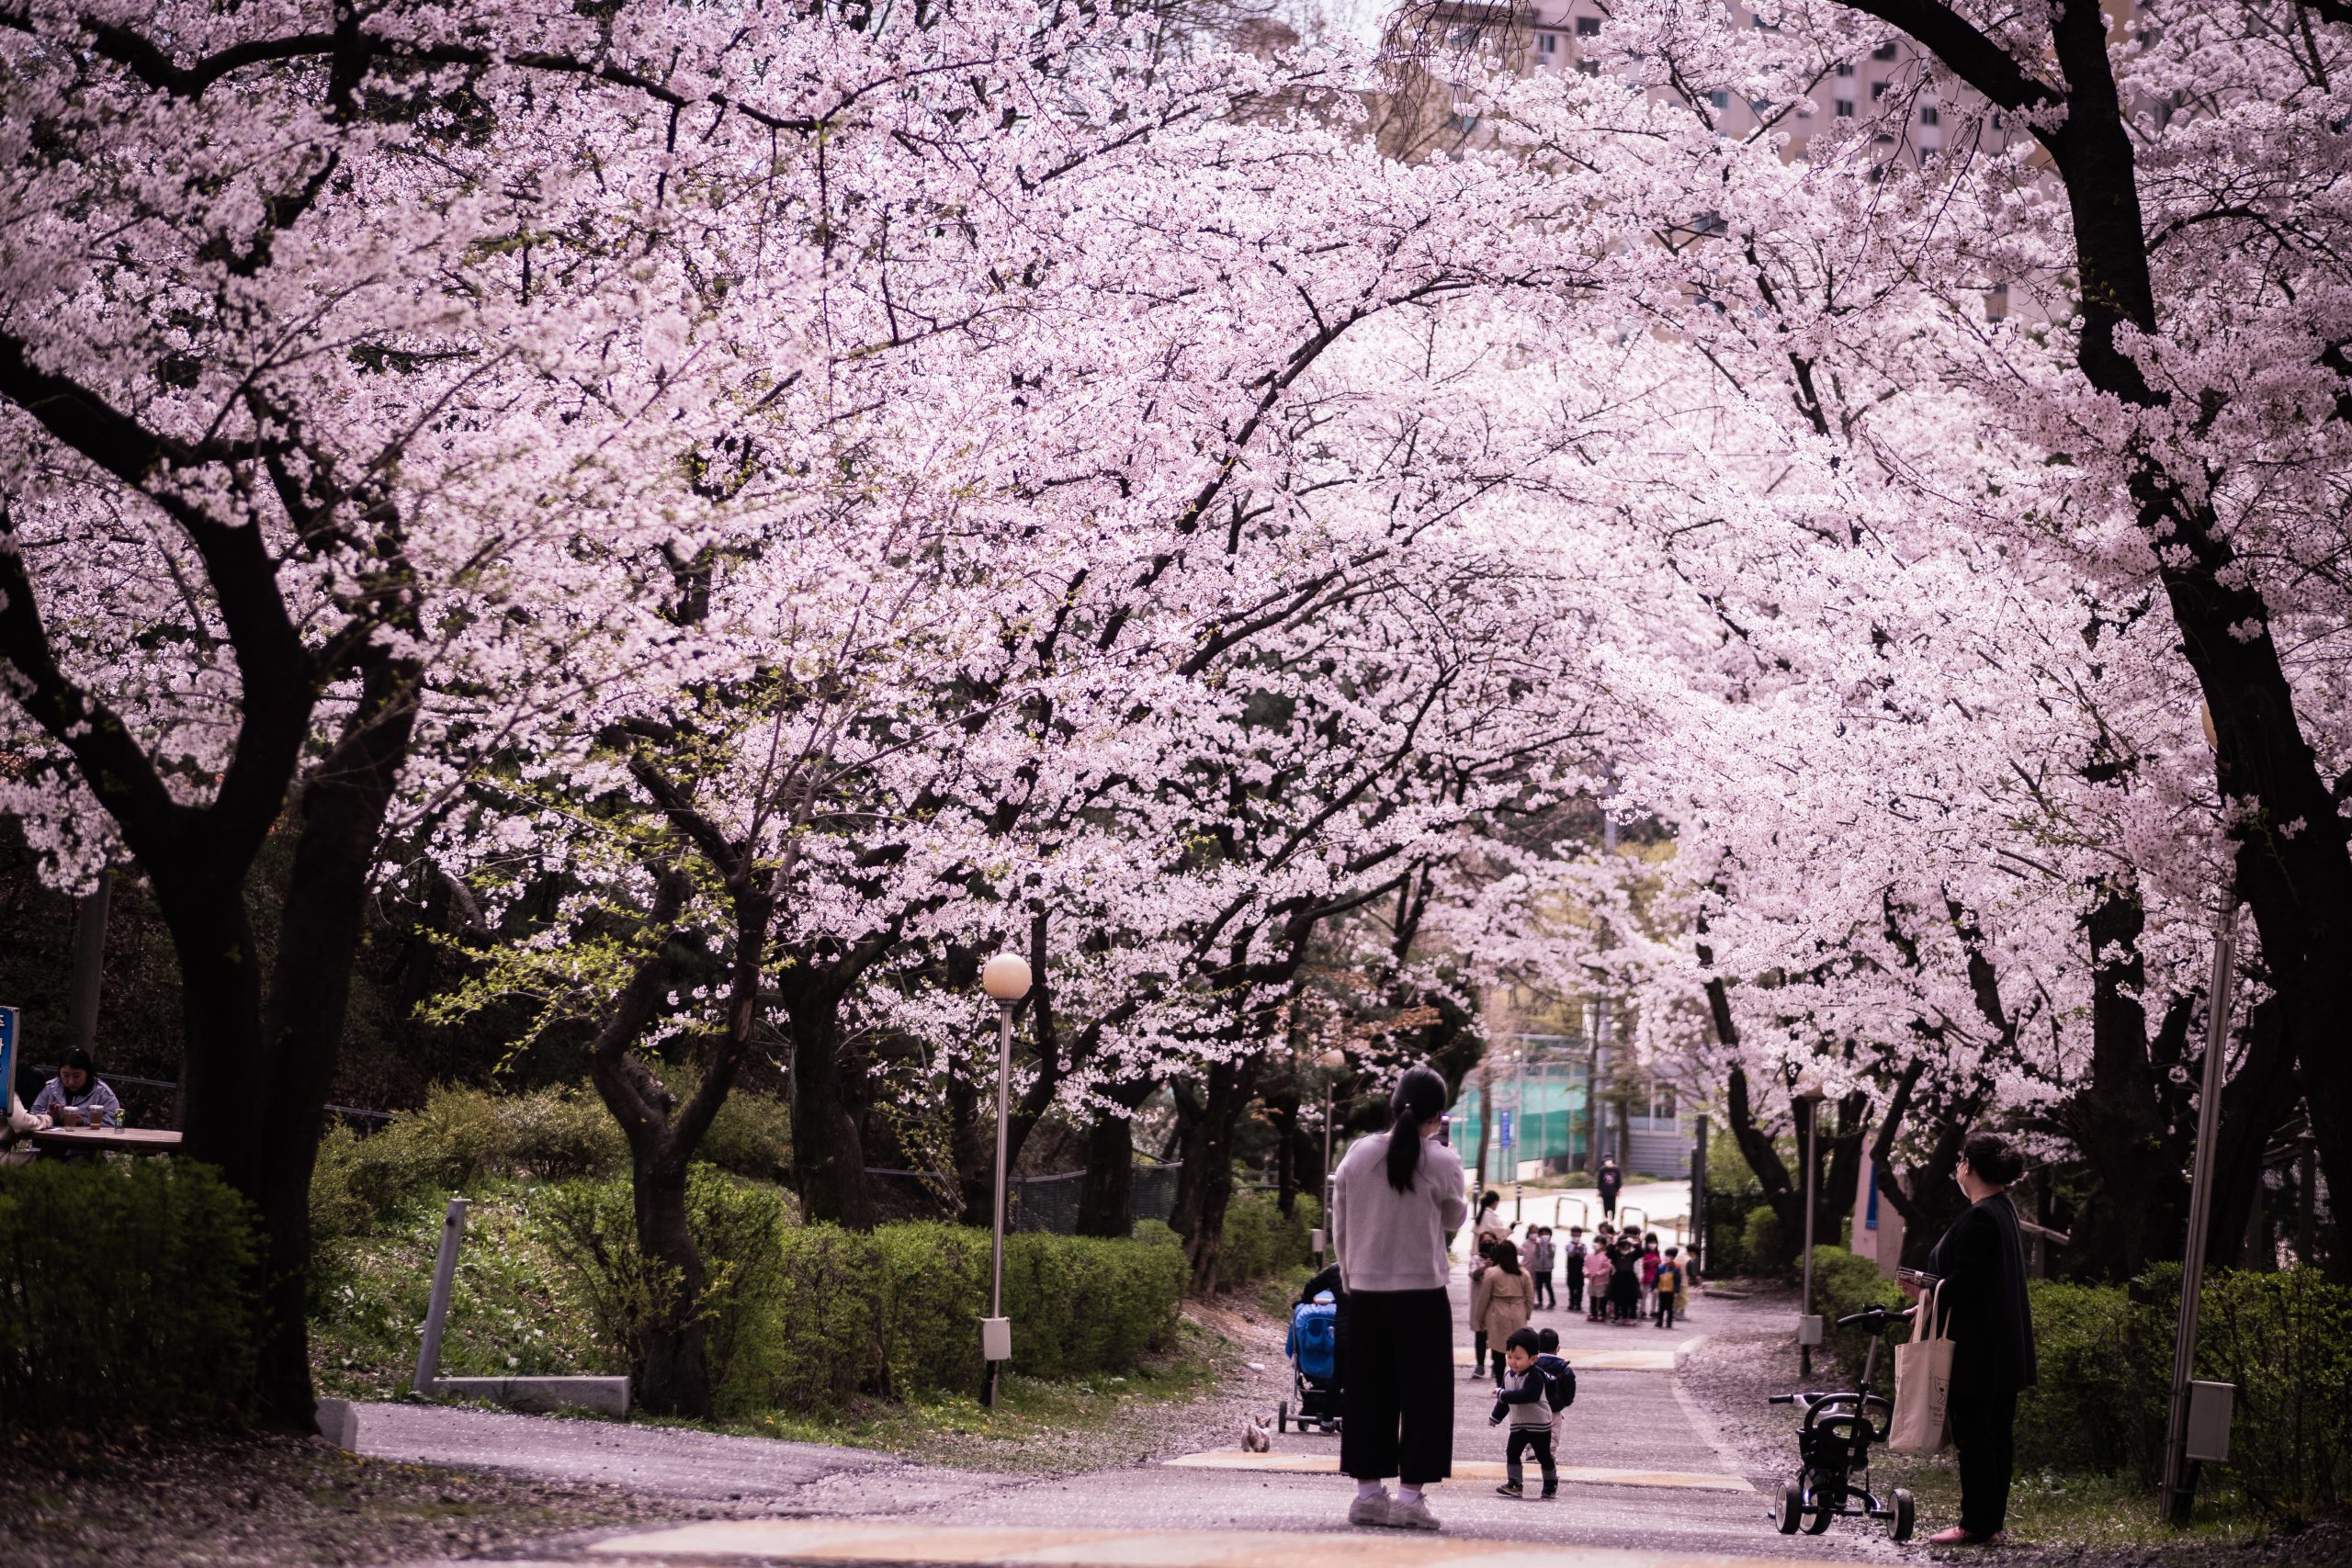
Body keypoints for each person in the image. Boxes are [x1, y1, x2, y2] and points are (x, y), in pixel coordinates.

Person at [1332, 1064, 1467, 1532]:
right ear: (1438, 1115)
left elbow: (1341, 1222)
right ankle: (1410, 1499)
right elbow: (1453, 1220)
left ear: (1393, 1106)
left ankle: (1368, 1496)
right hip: (1422, 1293)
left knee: (1368, 1392)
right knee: (1425, 1396)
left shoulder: (1357, 1154)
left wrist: (1350, 1276)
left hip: (1366, 1291)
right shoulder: (1443, 1161)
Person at [1906, 1131, 2037, 1546]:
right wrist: (1927, 1303)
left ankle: (1976, 1526)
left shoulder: (1982, 1215)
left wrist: (1926, 1290)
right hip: (2002, 1347)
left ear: (1968, 1166)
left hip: (1979, 1351)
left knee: (1977, 1438)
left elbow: (1966, 1285)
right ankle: (1989, 1524)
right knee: (1996, 1437)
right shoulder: (2002, 1210)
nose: (1957, 1167)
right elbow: (1982, 1282)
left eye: (1961, 1160)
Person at [1487, 1327, 1557, 1499]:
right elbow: (1505, 1401)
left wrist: (1503, 1394)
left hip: (1539, 1426)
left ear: (1533, 1359)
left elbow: (1526, 1396)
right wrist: (1495, 1417)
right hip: (1518, 1426)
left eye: (1518, 1358)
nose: (1513, 1362)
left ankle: (1550, 1483)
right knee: (1512, 1452)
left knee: (1543, 1455)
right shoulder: (1508, 1377)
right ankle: (1515, 1484)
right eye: (1509, 1357)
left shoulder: (1536, 1376)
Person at [1471, 1239, 1532, 1381]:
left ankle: (1500, 1385)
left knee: (1498, 1351)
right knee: (1517, 1350)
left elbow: (1484, 1298)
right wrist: (1526, 1315)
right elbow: (1530, 1298)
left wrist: (1479, 1318)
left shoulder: (1492, 1273)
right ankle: (1516, 1383)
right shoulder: (1523, 1273)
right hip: (1518, 1311)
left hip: (1497, 1313)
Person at [31, 1049, 120, 1130]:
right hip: (49, 1144)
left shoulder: (102, 1093)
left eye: (76, 1075)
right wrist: (49, 1116)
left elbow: (114, 1123)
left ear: (87, 1072)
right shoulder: (50, 1088)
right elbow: (33, 1116)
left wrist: (84, 1122)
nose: (71, 1082)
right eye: (66, 1075)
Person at [1533, 1325, 1576, 1457]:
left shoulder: (1531, 1365)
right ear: (1557, 1348)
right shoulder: (1564, 1369)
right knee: (1552, 1430)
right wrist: (1565, 1402)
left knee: (1531, 1427)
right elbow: (1569, 1389)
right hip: (1554, 1407)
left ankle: (1531, 1448)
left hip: (1532, 1405)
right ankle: (1549, 1453)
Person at [1609, 1236, 1641, 1325]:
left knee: (1632, 1299)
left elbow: (1641, 1252)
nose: (1625, 1247)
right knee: (1619, 1299)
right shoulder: (1616, 1255)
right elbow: (1608, 1253)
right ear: (1619, 1247)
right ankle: (1619, 1316)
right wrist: (1614, 1243)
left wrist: (1635, 1243)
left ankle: (1632, 1317)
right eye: (1623, 1246)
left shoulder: (1632, 1255)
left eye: (1627, 1246)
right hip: (1618, 1279)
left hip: (1630, 1279)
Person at [1583, 1235, 1613, 1321]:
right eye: (1595, 1242)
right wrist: (1587, 1272)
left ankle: (1602, 1314)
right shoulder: (1589, 1255)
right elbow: (1585, 1266)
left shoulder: (1605, 1256)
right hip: (1591, 1280)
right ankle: (1593, 1313)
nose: (1596, 1244)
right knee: (1592, 1297)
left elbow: (1607, 1267)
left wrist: (1598, 1273)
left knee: (1602, 1298)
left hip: (1602, 1281)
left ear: (1603, 1245)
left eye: (1599, 1243)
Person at [1655, 1247, 1684, 1330]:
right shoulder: (1660, 1267)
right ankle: (1659, 1321)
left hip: (1670, 1291)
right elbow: (1656, 1278)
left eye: (1669, 1256)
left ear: (1673, 1257)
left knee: (1669, 1307)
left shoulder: (1676, 1268)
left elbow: (1677, 1281)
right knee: (1660, 1306)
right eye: (1666, 1255)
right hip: (1662, 1290)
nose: (1666, 1257)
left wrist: (1676, 1291)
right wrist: (1653, 1286)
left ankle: (1669, 1322)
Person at [1529, 1226, 1556, 1311]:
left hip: (1548, 1269)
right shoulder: (1537, 1244)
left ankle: (1552, 1301)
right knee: (1538, 1286)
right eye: (1543, 1234)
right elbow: (1536, 1255)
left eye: (1547, 1234)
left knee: (1548, 1285)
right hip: (1538, 1268)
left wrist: (1549, 1248)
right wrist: (1537, 1246)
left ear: (1550, 1235)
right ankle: (1540, 1301)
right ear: (1539, 1235)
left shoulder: (1552, 1244)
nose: (1545, 1235)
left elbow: (1552, 1255)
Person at [1562, 1227, 1587, 1314]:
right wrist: (1575, 1248)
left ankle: (1578, 1303)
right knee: (1571, 1286)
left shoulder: (1583, 1246)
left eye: (1578, 1235)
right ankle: (1571, 1302)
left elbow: (1583, 1255)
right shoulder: (1568, 1245)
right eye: (1574, 1235)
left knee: (1580, 1287)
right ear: (1571, 1235)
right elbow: (1570, 1254)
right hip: (1571, 1269)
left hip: (1580, 1270)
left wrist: (1580, 1249)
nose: (1576, 1237)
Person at [1639, 1234, 1661, 1319]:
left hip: (1655, 1278)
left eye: (1654, 1242)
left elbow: (1660, 1264)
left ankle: (1653, 1311)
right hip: (1645, 1277)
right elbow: (1641, 1263)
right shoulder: (1643, 1253)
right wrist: (1650, 1262)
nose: (1653, 1244)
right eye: (1651, 1242)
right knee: (1644, 1295)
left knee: (1655, 1294)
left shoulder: (1657, 1253)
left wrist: (1658, 1262)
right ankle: (1642, 1310)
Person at [1596, 1157, 1623, 1221]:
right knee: (1605, 1205)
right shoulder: (1602, 1170)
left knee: (1613, 1205)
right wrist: (1598, 1190)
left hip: (1613, 1191)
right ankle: (1606, 1217)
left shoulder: (1616, 1169)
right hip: (1604, 1191)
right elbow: (1599, 1181)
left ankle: (1612, 1218)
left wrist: (1618, 1190)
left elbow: (1618, 1180)